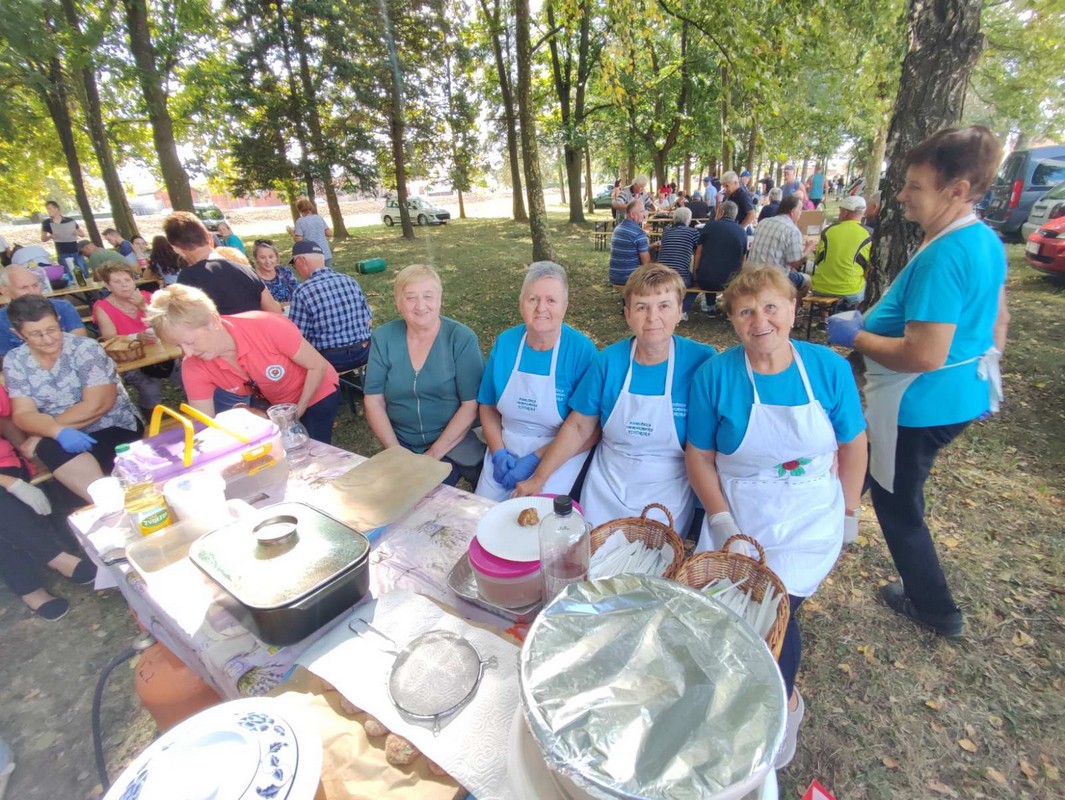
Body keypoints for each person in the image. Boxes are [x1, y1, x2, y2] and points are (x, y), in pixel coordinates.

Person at [827, 126, 1010, 639]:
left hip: (918, 404)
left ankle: (935, 607)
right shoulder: (981, 239)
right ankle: (816, 532)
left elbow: (925, 354)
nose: (902, 195)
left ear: (957, 189)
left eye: (915, 186)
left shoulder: (945, 255)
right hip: (953, 397)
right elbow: (999, 319)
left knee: (895, 499)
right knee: (854, 469)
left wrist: (858, 336)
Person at [686, 266, 867, 769]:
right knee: (727, 610)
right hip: (742, 511)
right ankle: (738, 690)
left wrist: (849, 511)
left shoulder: (827, 369)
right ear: (732, 322)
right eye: (745, 311)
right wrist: (721, 521)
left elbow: (853, 444)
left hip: (811, 511)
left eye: (771, 306)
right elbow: (699, 456)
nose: (759, 320)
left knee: (773, 608)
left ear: (792, 310)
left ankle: (785, 705)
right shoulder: (717, 375)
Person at [515, 264, 715, 535]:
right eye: (642, 307)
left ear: (681, 311)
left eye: (664, 306)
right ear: (628, 315)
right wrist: (539, 478)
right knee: (592, 558)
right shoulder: (608, 361)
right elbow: (578, 427)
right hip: (606, 486)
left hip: (666, 489)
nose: (652, 317)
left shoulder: (703, 362)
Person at [146, 284, 341, 443]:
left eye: (189, 342)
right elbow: (203, 426)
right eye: (178, 345)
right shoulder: (193, 365)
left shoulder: (267, 326)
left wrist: (296, 413)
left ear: (213, 321)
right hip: (275, 403)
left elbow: (317, 366)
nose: (187, 353)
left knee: (311, 447)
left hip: (316, 391)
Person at [475, 262, 598, 500]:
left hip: (560, 453)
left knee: (538, 528)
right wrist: (498, 453)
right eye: (533, 299)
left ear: (565, 306)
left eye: (551, 300)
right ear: (521, 303)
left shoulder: (582, 351)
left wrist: (537, 460)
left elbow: (590, 430)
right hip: (504, 447)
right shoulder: (506, 343)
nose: (541, 308)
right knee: (482, 520)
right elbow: (488, 406)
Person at [3, 295, 142, 502]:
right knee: (53, 451)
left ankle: (109, 502)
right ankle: (111, 502)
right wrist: (56, 431)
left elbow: (97, 405)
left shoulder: (85, 348)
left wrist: (42, 432)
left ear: (58, 320)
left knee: (53, 453)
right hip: (59, 434)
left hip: (111, 424)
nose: (48, 339)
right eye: (35, 334)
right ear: (18, 334)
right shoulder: (15, 360)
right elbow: (23, 414)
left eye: (51, 330)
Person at [364, 265, 485, 487]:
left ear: (440, 299)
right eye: (410, 297)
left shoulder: (461, 338)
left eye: (428, 296)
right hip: (401, 442)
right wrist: (396, 453)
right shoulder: (383, 338)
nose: (420, 306)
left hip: (454, 442)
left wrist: (432, 455)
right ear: (398, 302)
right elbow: (373, 400)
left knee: (425, 495)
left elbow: (471, 405)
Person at [0, 382, 97, 620]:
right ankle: (57, 559)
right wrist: (10, 483)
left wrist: (25, 450)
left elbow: (6, 418)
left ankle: (29, 590)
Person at [164, 211, 282, 315]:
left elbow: (190, 324)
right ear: (209, 237)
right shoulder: (245, 269)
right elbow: (274, 310)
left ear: (176, 248)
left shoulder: (187, 279)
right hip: (256, 336)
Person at [288, 241, 373, 374]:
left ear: (301, 260)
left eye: (294, 264)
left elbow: (297, 336)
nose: (296, 269)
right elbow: (369, 319)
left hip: (330, 360)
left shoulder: (302, 291)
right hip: (365, 353)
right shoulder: (349, 280)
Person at [93, 263, 165, 417]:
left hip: (162, 354)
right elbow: (110, 339)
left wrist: (143, 307)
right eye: (117, 282)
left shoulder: (147, 297)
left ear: (134, 281)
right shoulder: (102, 307)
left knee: (185, 374)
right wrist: (136, 338)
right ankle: (154, 422)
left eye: (127, 280)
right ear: (107, 286)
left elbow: (166, 324)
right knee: (150, 389)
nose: (124, 285)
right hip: (130, 359)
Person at [0, 265, 87, 358]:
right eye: (24, 288)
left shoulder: (63, 307)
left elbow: (79, 343)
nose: (32, 292)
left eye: (35, 285)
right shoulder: (1, 320)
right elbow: (8, 358)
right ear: (5, 291)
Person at [747, 195, 813, 299]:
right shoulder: (792, 230)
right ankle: (791, 311)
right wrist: (808, 249)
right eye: (800, 210)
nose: (800, 214)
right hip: (773, 280)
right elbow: (795, 263)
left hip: (752, 275)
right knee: (807, 280)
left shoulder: (763, 222)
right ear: (793, 211)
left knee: (790, 270)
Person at [810, 195, 871, 309]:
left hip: (821, 287)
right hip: (851, 290)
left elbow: (818, 259)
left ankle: (824, 319)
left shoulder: (828, 231)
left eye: (840, 210)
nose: (839, 214)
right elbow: (869, 267)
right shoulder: (869, 234)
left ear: (845, 212)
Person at [693, 201, 747, 315]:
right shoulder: (741, 231)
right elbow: (743, 258)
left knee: (710, 267)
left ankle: (710, 307)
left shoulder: (709, 226)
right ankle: (729, 310)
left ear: (721, 212)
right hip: (730, 282)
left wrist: (695, 272)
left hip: (706, 280)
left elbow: (698, 252)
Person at [653, 207, 701, 316]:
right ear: (689, 219)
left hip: (660, 274)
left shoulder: (666, 232)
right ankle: (681, 310)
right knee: (698, 285)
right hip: (680, 277)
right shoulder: (693, 232)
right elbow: (698, 251)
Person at [609, 199, 651, 286]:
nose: (644, 214)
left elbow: (629, 249)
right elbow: (646, 263)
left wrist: (651, 246)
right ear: (632, 214)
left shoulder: (617, 229)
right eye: (642, 211)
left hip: (615, 276)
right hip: (630, 278)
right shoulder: (639, 233)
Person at [40, 200, 86, 276]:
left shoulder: (69, 220)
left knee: (81, 270)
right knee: (69, 272)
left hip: (75, 249)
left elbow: (82, 234)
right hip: (62, 251)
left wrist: (76, 233)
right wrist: (51, 236)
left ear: (56, 208)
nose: (48, 211)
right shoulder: (46, 223)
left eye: (50, 208)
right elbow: (43, 238)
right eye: (47, 209)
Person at [288, 198, 334, 269]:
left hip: (312, 254)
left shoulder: (300, 222)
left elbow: (298, 240)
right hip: (325, 252)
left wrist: (292, 234)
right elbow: (330, 233)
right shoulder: (319, 218)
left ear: (299, 209)